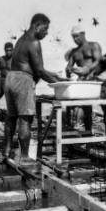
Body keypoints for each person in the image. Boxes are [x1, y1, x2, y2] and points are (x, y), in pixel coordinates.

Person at [4, 13, 63, 165]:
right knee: (25, 119)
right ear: (37, 26)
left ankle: (7, 150)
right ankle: (24, 157)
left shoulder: (21, 40)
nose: (47, 32)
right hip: (23, 81)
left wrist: (57, 77)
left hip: (10, 79)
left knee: (11, 118)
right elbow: (40, 71)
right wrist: (59, 85)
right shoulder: (34, 41)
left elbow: (32, 67)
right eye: (46, 28)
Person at [65, 24, 102, 132]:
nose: (75, 39)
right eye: (73, 37)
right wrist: (68, 70)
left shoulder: (93, 45)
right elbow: (69, 66)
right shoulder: (74, 52)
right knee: (71, 107)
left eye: (77, 36)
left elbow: (97, 61)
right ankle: (73, 135)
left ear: (83, 34)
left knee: (87, 109)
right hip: (80, 82)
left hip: (92, 81)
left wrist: (87, 69)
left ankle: (88, 134)